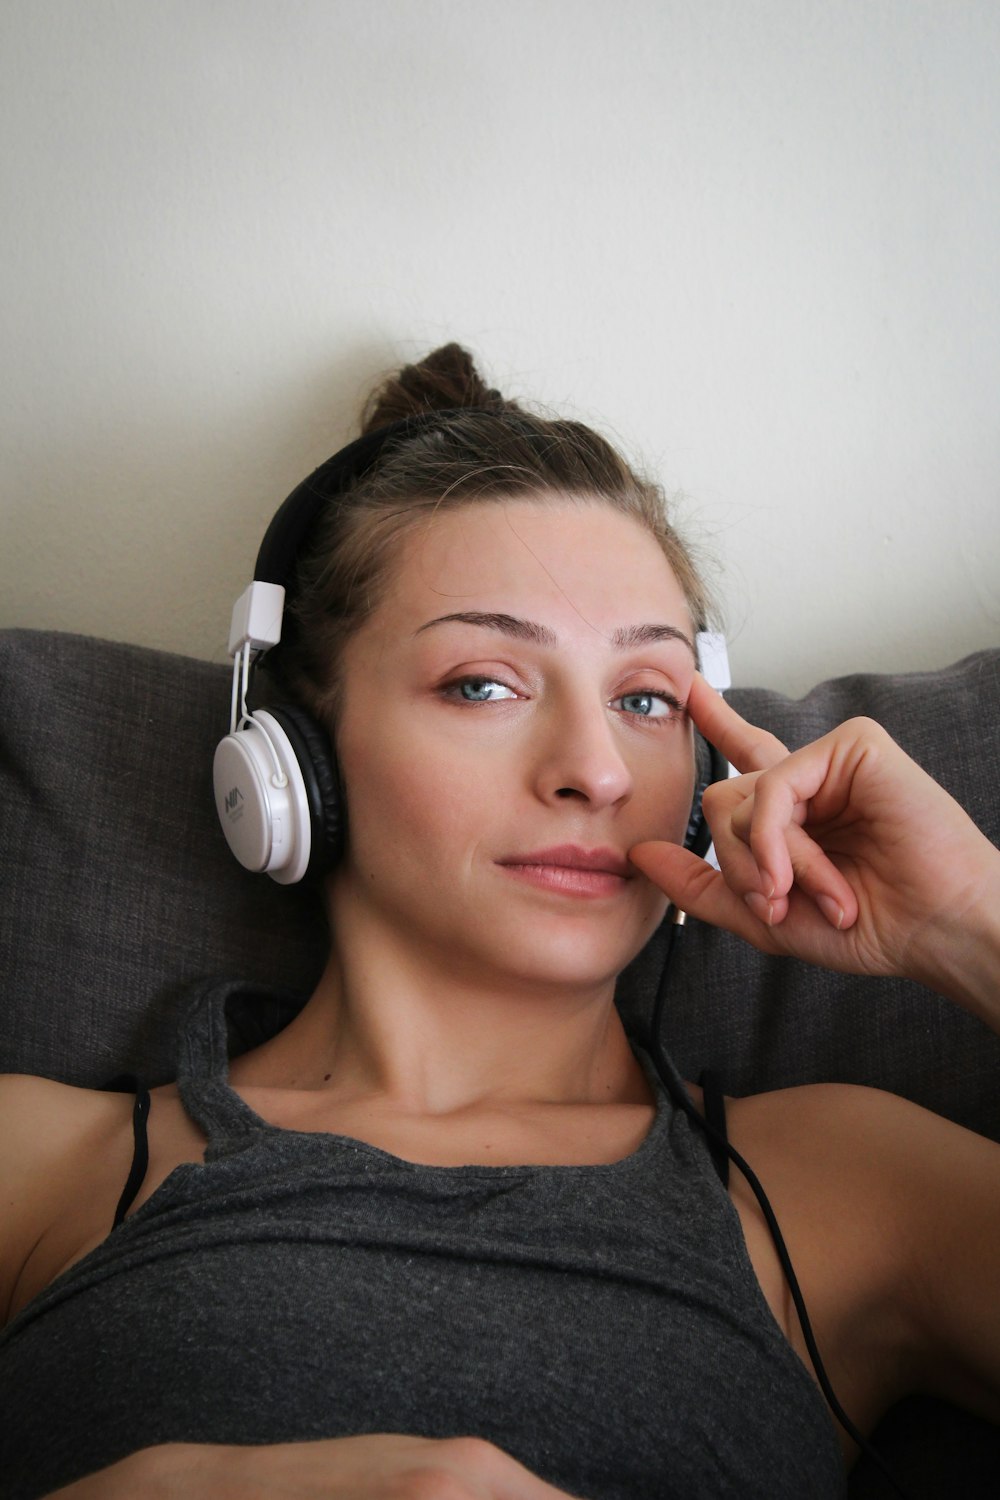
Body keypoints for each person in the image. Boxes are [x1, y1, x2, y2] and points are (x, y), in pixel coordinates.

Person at [0, 344, 997, 1500]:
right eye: (484, 684)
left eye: (645, 700)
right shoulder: (43, 1164)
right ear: (290, 762)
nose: (595, 769)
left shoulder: (843, 1181)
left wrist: (971, 923)